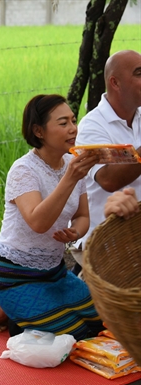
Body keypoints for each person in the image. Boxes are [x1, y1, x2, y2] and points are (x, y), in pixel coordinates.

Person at [0, 94, 104, 342]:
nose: (73, 129)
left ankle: (16, 314)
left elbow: (83, 216)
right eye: (63, 123)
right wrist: (70, 178)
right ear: (38, 131)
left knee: (99, 323)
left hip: (54, 272)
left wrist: (75, 232)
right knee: (74, 334)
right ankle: (10, 312)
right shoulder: (23, 170)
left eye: (73, 120)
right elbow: (38, 222)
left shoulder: (73, 163)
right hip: (14, 275)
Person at [75, 50, 141, 245]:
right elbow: (109, 179)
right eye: (139, 73)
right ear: (115, 83)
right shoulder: (91, 127)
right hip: (105, 243)